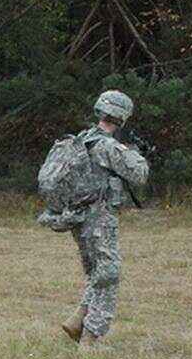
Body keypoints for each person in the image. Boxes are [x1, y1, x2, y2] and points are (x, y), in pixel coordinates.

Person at [58, 90, 149, 344]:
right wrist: (135, 152)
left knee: (97, 272)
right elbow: (139, 173)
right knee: (109, 275)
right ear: (122, 117)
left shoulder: (81, 139)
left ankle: (77, 320)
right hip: (99, 218)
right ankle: (89, 341)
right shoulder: (108, 146)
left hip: (77, 217)